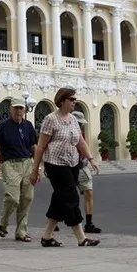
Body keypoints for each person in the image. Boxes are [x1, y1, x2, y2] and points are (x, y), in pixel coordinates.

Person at [29, 87, 100, 247]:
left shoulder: (73, 119)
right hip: (55, 164)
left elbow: (81, 142)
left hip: (72, 163)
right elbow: (40, 146)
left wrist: (91, 158)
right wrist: (36, 169)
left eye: (75, 100)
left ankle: (46, 237)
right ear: (62, 101)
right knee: (71, 197)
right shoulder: (50, 119)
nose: (74, 102)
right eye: (72, 99)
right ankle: (82, 238)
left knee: (60, 198)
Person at [0, 97, 37, 242]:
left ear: (24, 110)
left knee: (27, 197)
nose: (18, 111)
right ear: (11, 109)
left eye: (21, 108)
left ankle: (21, 231)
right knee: (12, 197)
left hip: (27, 163)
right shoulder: (4, 126)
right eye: (16, 108)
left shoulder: (28, 125)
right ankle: (3, 223)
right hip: (10, 164)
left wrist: (37, 167)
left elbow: (34, 146)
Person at [72, 111, 102, 234]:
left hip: (82, 166)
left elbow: (84, 147)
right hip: (68, 167)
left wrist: (91, 160)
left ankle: (89, 223)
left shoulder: (81, 134)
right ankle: (53, 221)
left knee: (89, 192)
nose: (80, 126)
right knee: (65, 195)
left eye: (81, 124)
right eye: (78, 124)